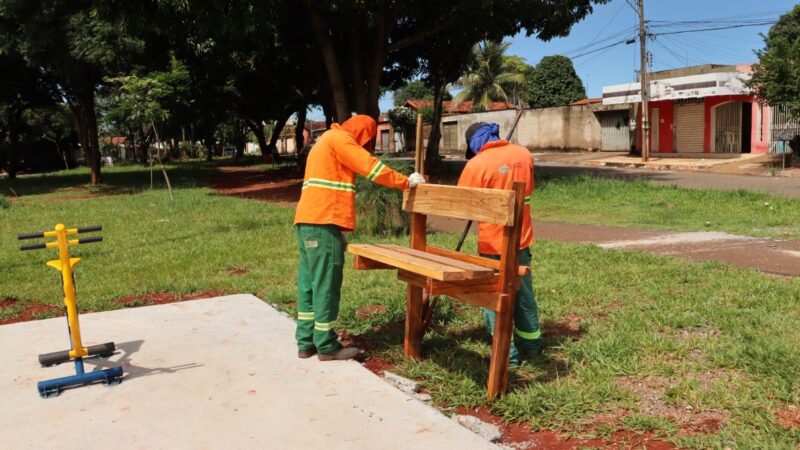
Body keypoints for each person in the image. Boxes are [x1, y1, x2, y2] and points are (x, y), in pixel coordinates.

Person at [293, 114, 425, 361]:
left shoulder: (324, 140)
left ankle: (305, 341)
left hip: (305, 223)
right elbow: (371, 168)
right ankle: (326, 345)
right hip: (324, 223)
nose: (367, 145)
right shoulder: (341, 140)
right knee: (326, 285)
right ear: (363, 133)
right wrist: (407, 182)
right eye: (368, 139)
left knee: (309, 284)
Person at [457, 122, 541, 366]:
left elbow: (461, 204)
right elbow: (530, 189)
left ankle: (507, 357)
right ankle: (532, 345)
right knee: (523, 293)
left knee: (493, 296)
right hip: (521, 240)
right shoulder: (523, 154)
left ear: (475, 145)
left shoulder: (476, 163)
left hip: (493, 244)